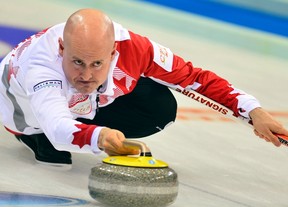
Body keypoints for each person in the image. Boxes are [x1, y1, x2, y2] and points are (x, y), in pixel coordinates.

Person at [0, 9, 287, 169]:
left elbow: (194, 78)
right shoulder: (40, 67)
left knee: (158, 106)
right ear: (61, 48)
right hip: (28, 117)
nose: (86, 74)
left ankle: (88, 119)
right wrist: (101, 136)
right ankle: (33, 139)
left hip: (84, 104)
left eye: (97, 63)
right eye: (77, 62)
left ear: (114, 52)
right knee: (54, 136)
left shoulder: (135, 48)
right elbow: (58, 127)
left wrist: (253, 112)